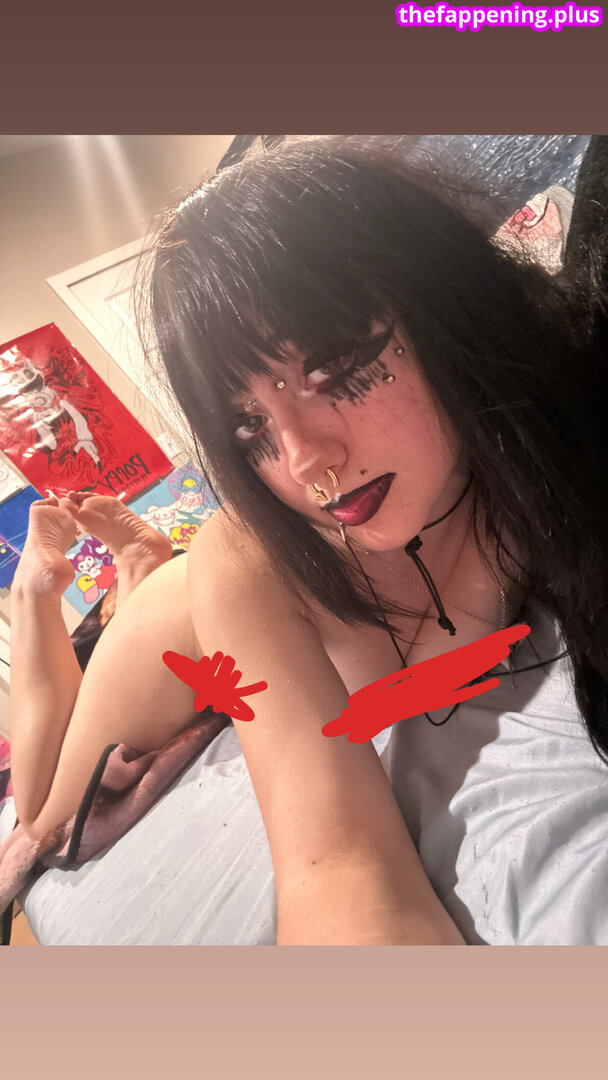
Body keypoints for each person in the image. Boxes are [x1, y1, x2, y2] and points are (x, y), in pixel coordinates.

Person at [10, 137, 608, 945]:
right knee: (41, 813)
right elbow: (335, 870)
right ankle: (43, 588)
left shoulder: (551, 435)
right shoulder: (247, 560)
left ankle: (139, 559)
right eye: (248, 426)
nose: (301, 460)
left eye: (332, 366)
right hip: (173, 623)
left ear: (440, 298)